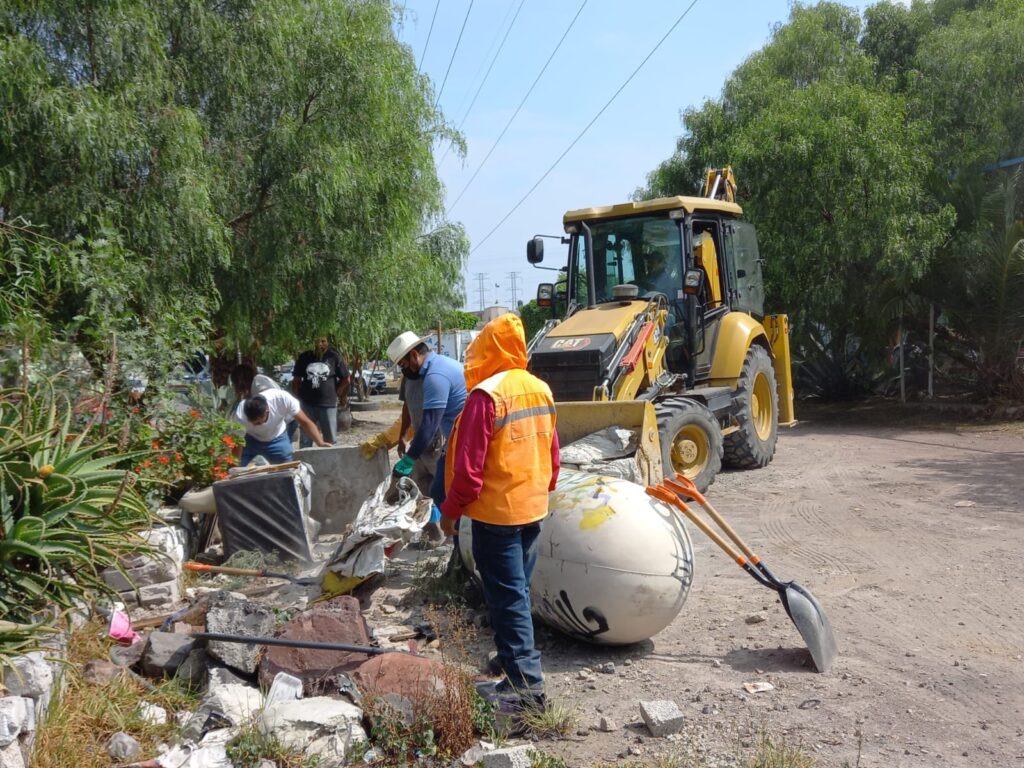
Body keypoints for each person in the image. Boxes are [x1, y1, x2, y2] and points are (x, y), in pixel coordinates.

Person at [439, 313, 560, 714]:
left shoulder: (486, 396)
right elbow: (552, 454)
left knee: (506, 599)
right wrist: (543, 489)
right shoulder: (540, 388)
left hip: (498, 515)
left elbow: (470, 471)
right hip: (531, 507)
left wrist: (449, 513)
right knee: (516, 591)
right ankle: (511, 663)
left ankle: (529, 692)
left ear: (487, 349)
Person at [385, 331, 468, 542]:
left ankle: (460, 543)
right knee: (438, 493)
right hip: (456, 441)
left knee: (449, 495)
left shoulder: (435, 376)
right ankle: (447, 538)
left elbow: (430, 425)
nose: (405, 370)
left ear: (414, 355)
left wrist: (408, 459)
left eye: (404, 365)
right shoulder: (434, 368)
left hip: (463, 443)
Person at [234, 388, 330, 466]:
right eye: (253, 423)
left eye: (259, 422)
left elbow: (305, 422)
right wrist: (234, 466)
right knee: (236, 469)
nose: (256, 425)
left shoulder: (281, 399)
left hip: (277, 438)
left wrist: (320, 442)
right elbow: (237, 441)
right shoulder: (240, 415)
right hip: (250, 440)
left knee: (287, 470)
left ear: (267, 410)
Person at [291, 336, 350, 448]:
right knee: (305, 440)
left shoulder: (334, 356)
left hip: (328, 404)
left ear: (328, 342)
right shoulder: (304, 357)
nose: (320, 344)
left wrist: (339, 392)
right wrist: (296, 400)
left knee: (330, 440)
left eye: (323, 341)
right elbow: (296, 381)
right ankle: (305, 463)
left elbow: (346, 379)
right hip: (307, 404)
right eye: (318, 341)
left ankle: (331, 464)